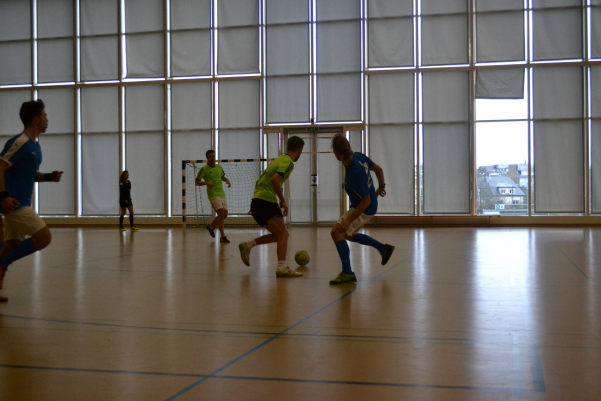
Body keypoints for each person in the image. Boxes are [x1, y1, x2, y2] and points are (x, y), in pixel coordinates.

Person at [0, 99, 63, 300]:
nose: (47, 119)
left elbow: (28, 174)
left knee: (10, 247)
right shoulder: (19, 143)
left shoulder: (35, 146)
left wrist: (48, 177)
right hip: (14, 204)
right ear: (36, 119)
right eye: (45, 116)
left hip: (21, 203)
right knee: (44, 237)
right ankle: (2, 265)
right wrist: (3, 197)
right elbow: (0, 167)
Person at [329, 135, 395, 285]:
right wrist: (381, 186)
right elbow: (379, 170)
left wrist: (348, 220)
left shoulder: (355, 172)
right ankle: (383, 249)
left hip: (364, 207)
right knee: (348, 235)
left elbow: (366, 201)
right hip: (364, 205)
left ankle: (347, 273)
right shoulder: (357, 156)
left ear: (336, 153)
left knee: (336, 232)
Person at [238, 136, 305, 277]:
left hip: (258, 201)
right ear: (299, 149)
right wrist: (283, 202)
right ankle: (282, 268)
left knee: (278, 235)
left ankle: (248, 245)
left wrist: (256, 202)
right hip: (266, 201)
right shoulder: (288, 162)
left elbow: (259, 182)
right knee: (283, 234)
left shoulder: (277, 160)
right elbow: (275, 180)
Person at [195, 150, 231, 243]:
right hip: (213, 194)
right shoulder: (204, 169)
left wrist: (227, 180)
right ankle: (223, 236)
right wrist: (206, 183)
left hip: (221, 193)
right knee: (221, 213)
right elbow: (197, 182)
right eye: (211, 156)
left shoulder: (219, 167)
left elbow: (221, 176)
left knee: (224, 215)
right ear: (207, 157)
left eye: (214, 156)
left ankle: (211, 227)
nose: (213, 158)